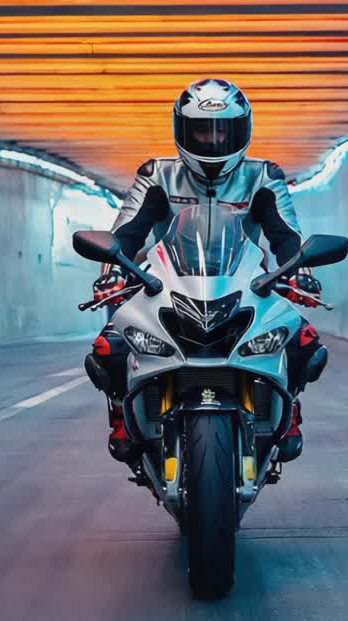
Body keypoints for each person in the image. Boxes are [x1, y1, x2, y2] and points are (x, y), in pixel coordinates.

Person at [89, 78, 323, 463]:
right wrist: (113, 270)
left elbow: (285, 235)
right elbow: (127, 231)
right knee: (109, 345)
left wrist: (299, 270)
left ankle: (289, 406)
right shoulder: (157, 174)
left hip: (245, 280)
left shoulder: (263, 176)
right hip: (165, 279)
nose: (212, 141)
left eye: (222, 131)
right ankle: (121, 410)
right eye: (201, 129)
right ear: (182, 130)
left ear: (242, 130)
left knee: (305, 341)